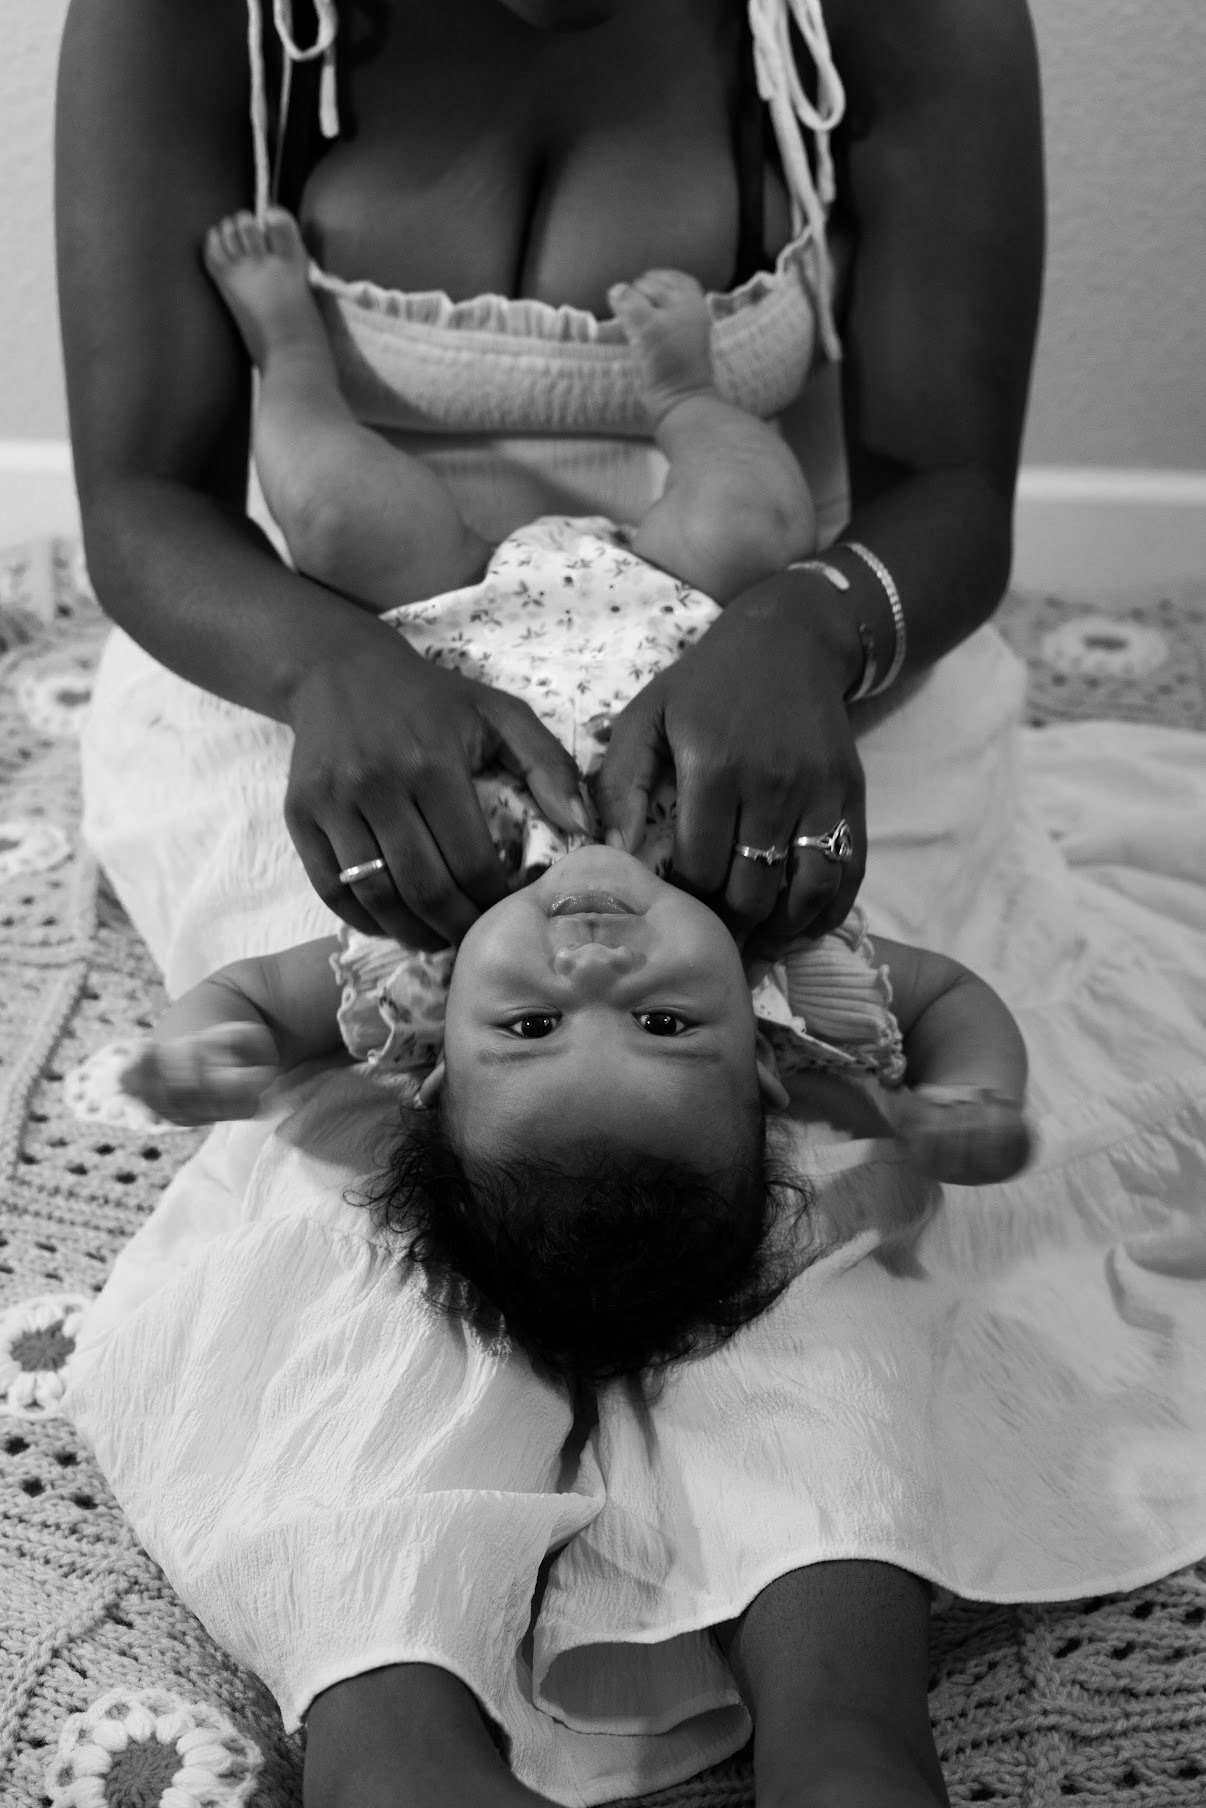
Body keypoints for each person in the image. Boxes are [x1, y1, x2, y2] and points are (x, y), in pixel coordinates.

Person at [56, 2, 1206, 1807]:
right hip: (313, 659)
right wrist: (332, 676)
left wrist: (810, 630)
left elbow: (949, 492)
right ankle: (389, 1712)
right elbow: (137, 497)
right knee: (366, 1198)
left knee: (817, 1200)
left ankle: (845, 1719)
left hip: (808, 642)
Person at [121, 842, 1031, 1383]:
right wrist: (970, 1091)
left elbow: (255, 996)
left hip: (461, 644)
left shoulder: (416, 973)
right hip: (702, 645)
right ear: (760, 1053)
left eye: (531, 1024)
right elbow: (945, 994)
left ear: (437, 1059)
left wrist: (198, 1045)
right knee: (741, 523)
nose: (593, 967)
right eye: (664, 1023)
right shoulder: (796, 962)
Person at [203, 206, 819, 611]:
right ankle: (685, 392)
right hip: (667, 625)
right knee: (750, 527)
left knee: (336, 517)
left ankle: (290, 350)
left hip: (445, 639)